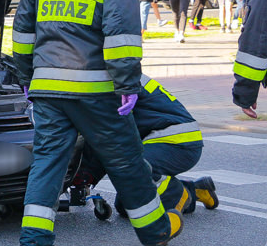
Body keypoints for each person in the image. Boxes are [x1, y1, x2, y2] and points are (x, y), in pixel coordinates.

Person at [12, 0, 181, 246]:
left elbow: (23, 36)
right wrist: (127, 85)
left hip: (47, 90)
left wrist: (27, 78)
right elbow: (121, 37)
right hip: (95, 90)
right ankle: (156, 233)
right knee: (127, 161)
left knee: (47, 163)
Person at [76, 74, 217, 218]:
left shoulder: (111, 79)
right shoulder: (116, 71)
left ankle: (176, 193)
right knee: (125, 206)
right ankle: (196, 190)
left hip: (176, 141)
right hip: (167, 138)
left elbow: (111, 134)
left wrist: (87, 172)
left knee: (134, 174)